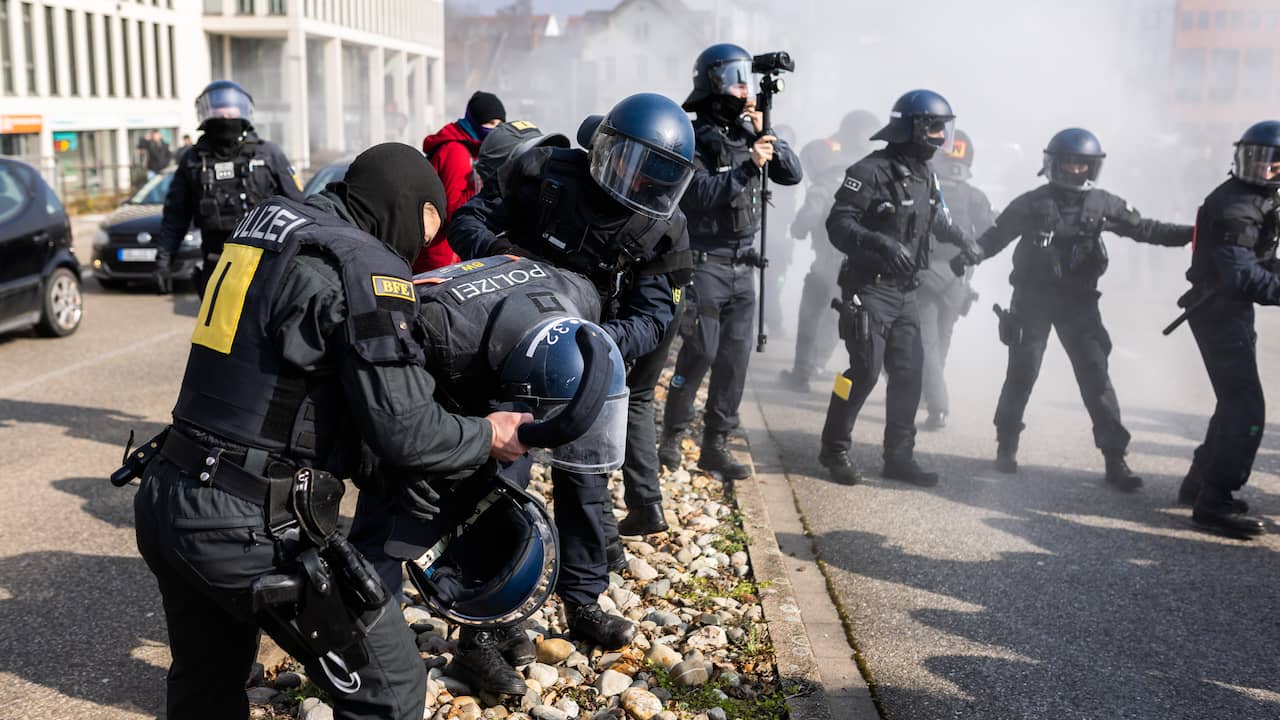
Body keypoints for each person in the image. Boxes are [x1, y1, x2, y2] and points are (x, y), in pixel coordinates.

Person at [132, 142, 532, 720]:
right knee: (392, 690)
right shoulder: (364, 265)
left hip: (168, 491)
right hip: (246, 523)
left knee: (205, 685)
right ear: (416, 211)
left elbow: (291, 385)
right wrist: (488, 433)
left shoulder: (268, 225)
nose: (418, 251)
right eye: (425, 233)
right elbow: (409, 431)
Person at [450, 92, 697, 657]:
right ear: (603, 146)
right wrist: (502, 251)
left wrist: (600, 345)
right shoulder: (544, 173)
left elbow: (656, 317)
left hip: (586, 366)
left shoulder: (664, 229)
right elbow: (467, 219)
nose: (635, 183)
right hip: (507, 354)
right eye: (626, 164)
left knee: (586, 487)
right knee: (498, 488)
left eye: (653, 177)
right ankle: (487, 622)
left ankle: (583, 600)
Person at [950, 128, 1191, 490]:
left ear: (1092, 168)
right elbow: (993, 238)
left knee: (1096, 378)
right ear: (1053, 164)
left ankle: (1115, 459)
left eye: (1082, 164)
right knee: (1022, 373)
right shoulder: (1031, 203)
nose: (1075, 170)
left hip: (1079, 304)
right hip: (1031, 301)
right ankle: (1007, 445)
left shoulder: (1104, 204)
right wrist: (971, 254)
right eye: (1068, 162)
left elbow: (1147, 230)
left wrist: (1197, 232)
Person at [816, 89, 975, 488]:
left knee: (910, 373)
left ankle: (899, 456)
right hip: (869, 287)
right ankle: (834, 449)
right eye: (934, 127)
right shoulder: (870, 171)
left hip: (907, 293)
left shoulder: (926, 174)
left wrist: (962, 238)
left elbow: (934, 218)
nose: (941, 137)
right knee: (863, 370)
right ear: (912, 127)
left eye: (944, 128)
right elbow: (838, 224)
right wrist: (880, 243)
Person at [659, 43, 802, 480]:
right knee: (700, 350)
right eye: (736, 77)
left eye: (746, 77)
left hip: (744, 266)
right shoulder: (693, 137)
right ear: (714, 82)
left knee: (735, 359)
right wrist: (744, 169)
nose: (745, 86)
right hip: (706, 262)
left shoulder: (748, 134)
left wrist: (767, 131)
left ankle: (715, 444)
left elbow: (791, 174)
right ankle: (670, 436)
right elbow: (696, 193)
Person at [1174, 120, 1280, 538]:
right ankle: (1214, 501)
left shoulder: (1257, 199)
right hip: (1218, 310)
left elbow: (1259, 262)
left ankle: (1198, 483)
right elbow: (1242, 276)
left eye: (1273, 162)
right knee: (1247, 409)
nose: (1265, 168)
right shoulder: (1236, 205)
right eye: (1257, 159)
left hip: (1227, 310)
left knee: (1231, 401)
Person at [156, 81, 303, 297]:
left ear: (243, 113)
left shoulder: (269, 154)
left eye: (230, 112)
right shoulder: (193, 160)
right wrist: (164, 258)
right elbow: (175, 215)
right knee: (218, 330)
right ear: (206, 115)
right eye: (219, 112)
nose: (225, 118)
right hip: (217, 265)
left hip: (267, 265)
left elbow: (299, 207)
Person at [779, 110, 880, 393]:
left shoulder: (829, 179)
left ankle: (802, 373)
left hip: (827, 262)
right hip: (860, 266)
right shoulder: (877, 180)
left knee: (812, 313)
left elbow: (805, 221)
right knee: (841, 316)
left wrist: (798, 229)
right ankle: (823, 364)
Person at [918, 128, 997, 430]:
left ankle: (936, 405)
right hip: (958, 281)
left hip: (924, 275)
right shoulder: (976, 196)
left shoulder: (923, 187)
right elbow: (989, 235)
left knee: (926, 344)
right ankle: (930, 395)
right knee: (941, 340)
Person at [417, 90, 507, 273]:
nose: (495, 129)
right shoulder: (456, 152)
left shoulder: (472, 150)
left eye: (500, 124)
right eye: (490, 123)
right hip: (441, 256)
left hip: (448, 252)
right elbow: (454, 213)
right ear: (474, 121)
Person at [761, 123, 801, 338]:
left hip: (777, 241)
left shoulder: (786, 173)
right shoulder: (760, 167)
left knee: (775, 284)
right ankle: (772, 323)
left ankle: (773, 322)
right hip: (761, 238)